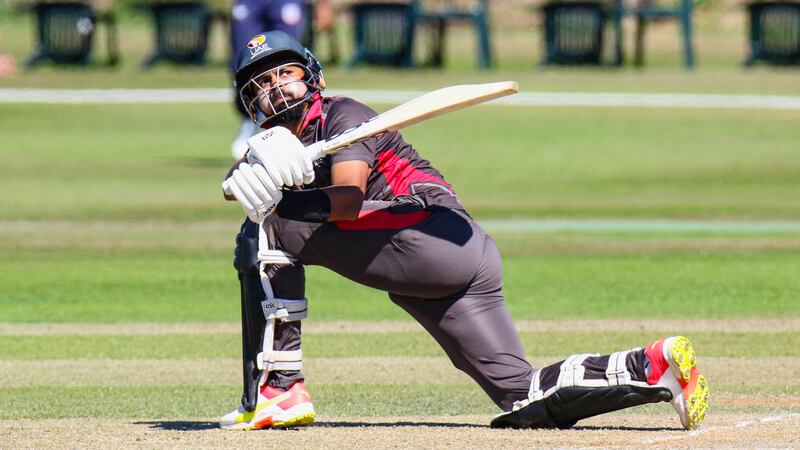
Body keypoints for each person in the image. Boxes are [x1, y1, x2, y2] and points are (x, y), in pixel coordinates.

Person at [219, 30, 710, 431]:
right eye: (262, 82)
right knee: (523, 396)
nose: (277, 87)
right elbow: (237, 185)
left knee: (271, 223)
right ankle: (652, 366)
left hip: (432, 234)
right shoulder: (275, 143)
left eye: (286, 73)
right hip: (452, 261)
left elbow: (347, 201)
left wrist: (282, 198)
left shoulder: (344, 116)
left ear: (310, 74)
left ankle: (278, 389)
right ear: (250, 101)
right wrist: (244, 177)